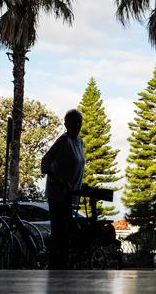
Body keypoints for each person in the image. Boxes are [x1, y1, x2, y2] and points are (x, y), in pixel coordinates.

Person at [41, 109, 86, 269]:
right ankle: (56, 267)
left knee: (68, 234)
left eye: (79, 122)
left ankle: (64, 266)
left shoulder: (80, 142)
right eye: (74, 122)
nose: (77, 125)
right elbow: (45, 163)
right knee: (60, 234)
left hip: (71, 196)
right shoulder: (63, 141)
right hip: (59, 196)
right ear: (66, 124)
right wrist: (59, 181)